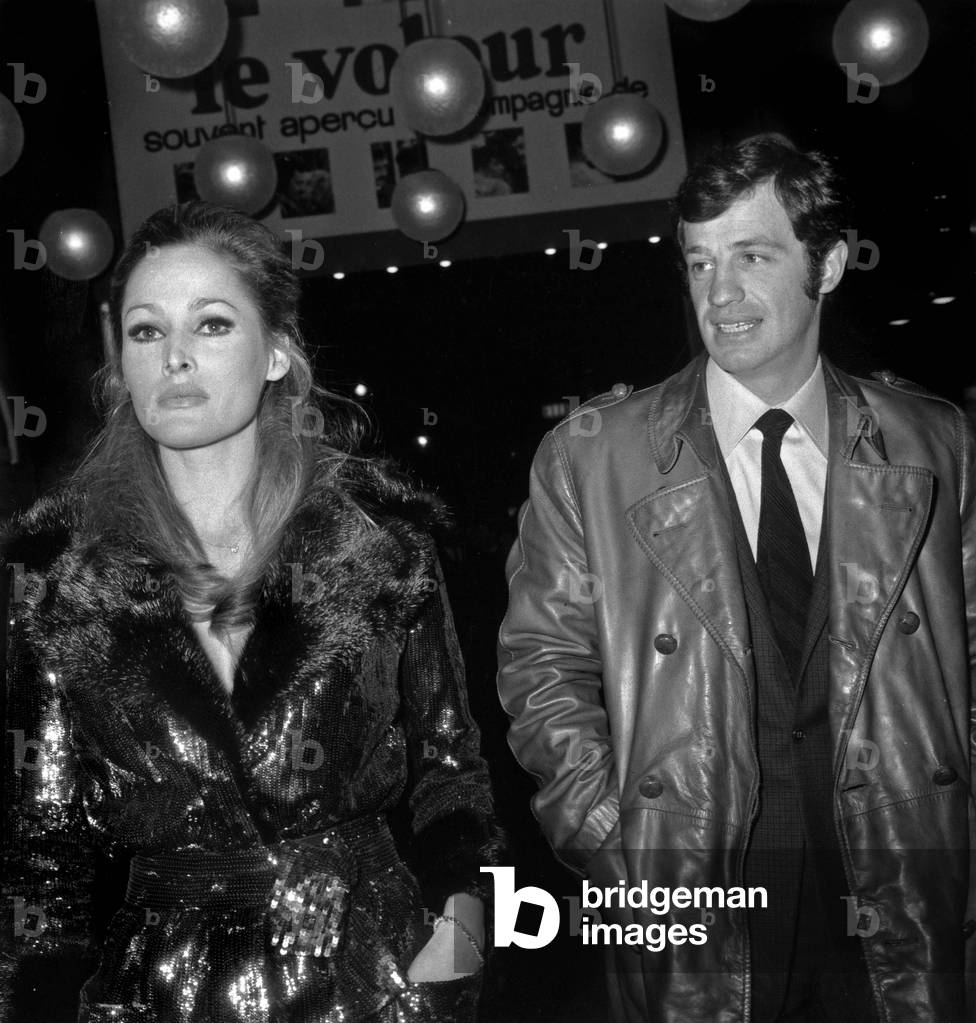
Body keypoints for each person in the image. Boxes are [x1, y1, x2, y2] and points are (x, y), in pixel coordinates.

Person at [496, 133, 976, 1022]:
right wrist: (609, 836)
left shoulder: (933, 442)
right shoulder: (595, 458)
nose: (720, 294)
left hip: (904, 876)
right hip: (695, 891)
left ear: (827, 264)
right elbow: (540, 669)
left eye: (753, 256)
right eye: (700, 262)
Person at [1, 199, 502, 1023]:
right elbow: (42, 854)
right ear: (119, 362)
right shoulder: (60, 577)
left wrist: (461, 933)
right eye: (147, 331)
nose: (175, 359)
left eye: (212, 325)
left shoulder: (380, 546)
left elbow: (454, 775)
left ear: (276, 353)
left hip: (371, 974)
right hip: (165, 990)